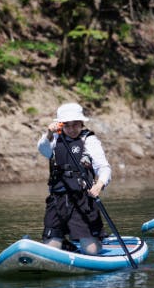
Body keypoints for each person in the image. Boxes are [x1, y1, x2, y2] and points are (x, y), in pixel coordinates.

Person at [36, 102, 112, 255]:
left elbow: (104, 168)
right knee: (51, 248)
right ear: (60, 125)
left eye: (75, 125)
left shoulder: (89, 140)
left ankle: (96, 241)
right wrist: (49, 133)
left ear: (81, 123)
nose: (71, 129)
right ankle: (63, 243)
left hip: (82, 200)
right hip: (57, 200)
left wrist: (99, 185)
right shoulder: (54, 138)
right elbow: (43, 149)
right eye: (67, 125)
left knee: (91, 251)